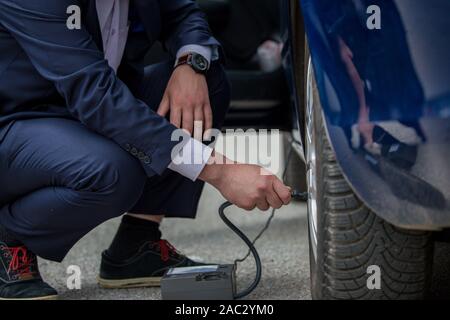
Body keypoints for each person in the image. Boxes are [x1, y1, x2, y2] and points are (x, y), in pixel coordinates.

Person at [0, 0, 291, 300]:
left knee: (205, 83)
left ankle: (136, 245)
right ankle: (10, 236)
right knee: (112, 173)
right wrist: (220, 171)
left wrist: (190, 61)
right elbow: (95, 95)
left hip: (87, 108)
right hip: (19, 122)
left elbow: (183, 12)